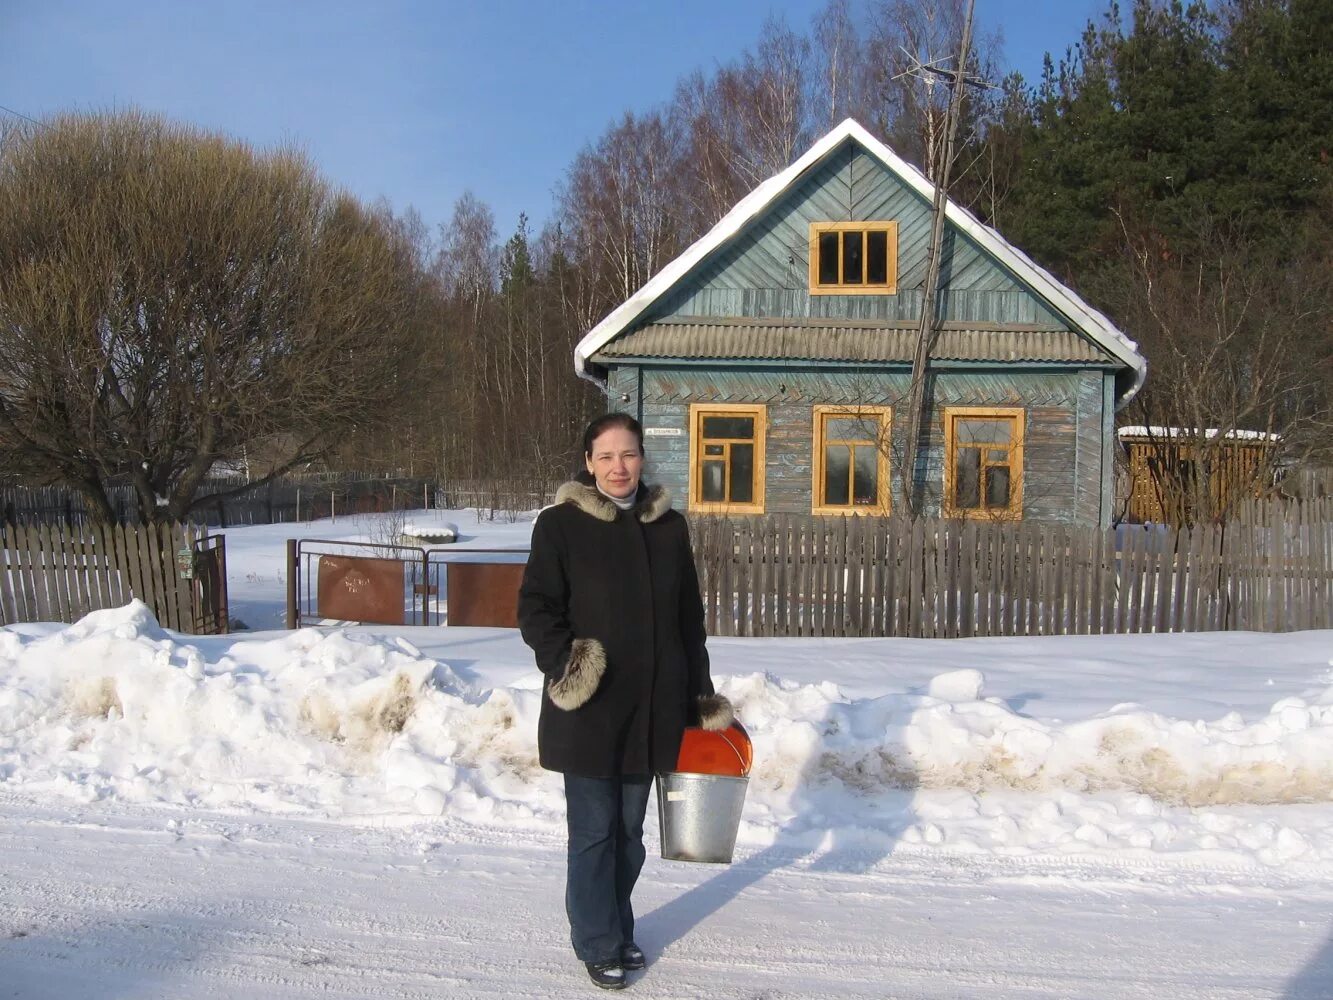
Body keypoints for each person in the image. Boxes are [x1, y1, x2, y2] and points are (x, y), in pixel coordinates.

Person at [517, 412, 732, 991]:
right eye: (606, 456)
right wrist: (571, 664)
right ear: (588, 463)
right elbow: (536, 608)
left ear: (642, 459)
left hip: (652, 708)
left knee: (632, 835)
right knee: (594, 831)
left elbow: (690, 620)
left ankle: (615, 925)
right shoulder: (560, 526)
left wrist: (700, 695)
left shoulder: (669, 527)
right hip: (589, 711)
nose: (619, 466)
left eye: (629, 454)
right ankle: (597, 941)